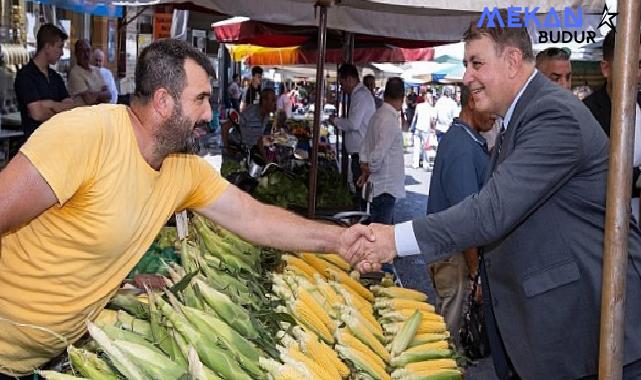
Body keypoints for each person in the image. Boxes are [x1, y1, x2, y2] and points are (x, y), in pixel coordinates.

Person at [0, 39, 373, 377]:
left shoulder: (183, 169)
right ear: (164, 101)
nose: (210, 113)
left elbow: (253, 217)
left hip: (42, 355)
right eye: (201, 99)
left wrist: (339, 240)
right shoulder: (85, 136)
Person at [350, 15, 641, 380]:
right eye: (466, 65)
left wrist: (394, 239)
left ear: (513, 61)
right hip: (549, 336)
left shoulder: (554, 114)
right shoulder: (518, 117)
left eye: (476, 63)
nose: (467, 76)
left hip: (581, 336)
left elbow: (491, 211)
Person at [426, 85, 495, 347]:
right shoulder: (462, 147)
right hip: (453, 257)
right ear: (473, 103)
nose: (494, 116)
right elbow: (466, 220)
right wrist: (476, 272)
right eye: (490, 108)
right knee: (448, 337)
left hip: (449, 252)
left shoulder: (465, 139)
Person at [583, 30, 641, 220]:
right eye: (631, 65)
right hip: (602, 220)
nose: (638, 74)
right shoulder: (586, 113)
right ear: (606, 68)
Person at [14, 24, 76, 140]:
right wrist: (59, 109)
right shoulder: (26, 75)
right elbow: (37, 114)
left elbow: (71, 108)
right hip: (35, 146)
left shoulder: (56, 77)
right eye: (59, 47)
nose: (62, 53)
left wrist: (49, 104)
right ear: (47, 47)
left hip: (57, 142)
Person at [358, 77, 406, 224]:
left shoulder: (377, 116)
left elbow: (365, 147)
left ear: (385, 95)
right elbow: (377, 155)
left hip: (378, 186)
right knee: (380, 236)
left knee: (375, 229)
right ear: (402, 98)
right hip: (385, 187)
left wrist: (366, 169)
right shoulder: (389, 120)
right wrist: (369, 169)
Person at [329, 64, 376, 193]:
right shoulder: (359, 95)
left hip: (361, 155)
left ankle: (360, 212)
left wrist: (336, 121)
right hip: (360, 154)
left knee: (361, 191)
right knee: (360, 190)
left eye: (342, 83)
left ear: (349, 79)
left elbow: (353, 124)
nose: (341, 87)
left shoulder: (360, 96)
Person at [68, 39, 111, 105]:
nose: (86, 54)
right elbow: (89, 101)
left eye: (88, 50)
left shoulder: (96, 70)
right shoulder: (75, 73)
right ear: (76, 54)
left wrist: (93, 94)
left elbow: (109, 95)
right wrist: (101, 95)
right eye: (82, 51)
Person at [411, 91, 436, 169]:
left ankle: (415, 164)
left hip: (418, 128)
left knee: (416, 146)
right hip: (426, 129)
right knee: (426, 147)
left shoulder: (419, 106)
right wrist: (433, 129)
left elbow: (415, 117)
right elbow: (432, 120)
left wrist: (412, 126)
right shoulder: (431, 108)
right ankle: (425, 164)